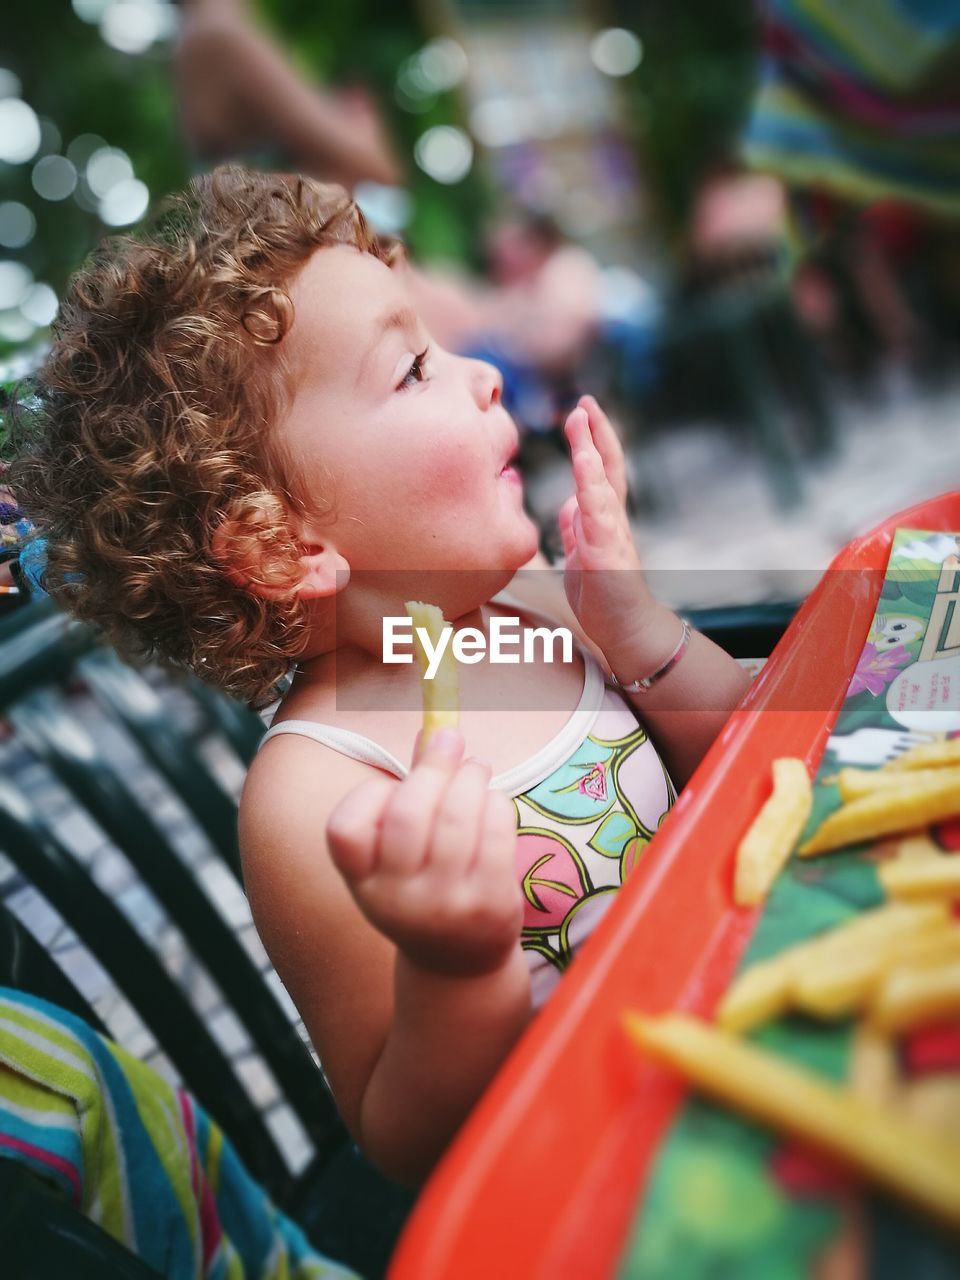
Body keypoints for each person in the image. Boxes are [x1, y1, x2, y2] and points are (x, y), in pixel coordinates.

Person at [9, 168, 750, 1187]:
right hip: (607, 1174)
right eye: (413, 369)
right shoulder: (319, 798)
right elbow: (405, 1138)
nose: (482, 373)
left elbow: (746, 765)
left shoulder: (530, 604)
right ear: (280, 545)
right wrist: (457, 964)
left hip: (747, 1013)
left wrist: (646, 634)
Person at [174, 0, 399, 189]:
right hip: (290, 232)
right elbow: (375, 163)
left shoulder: (193, 39)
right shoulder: (223, 36)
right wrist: (361, 122)